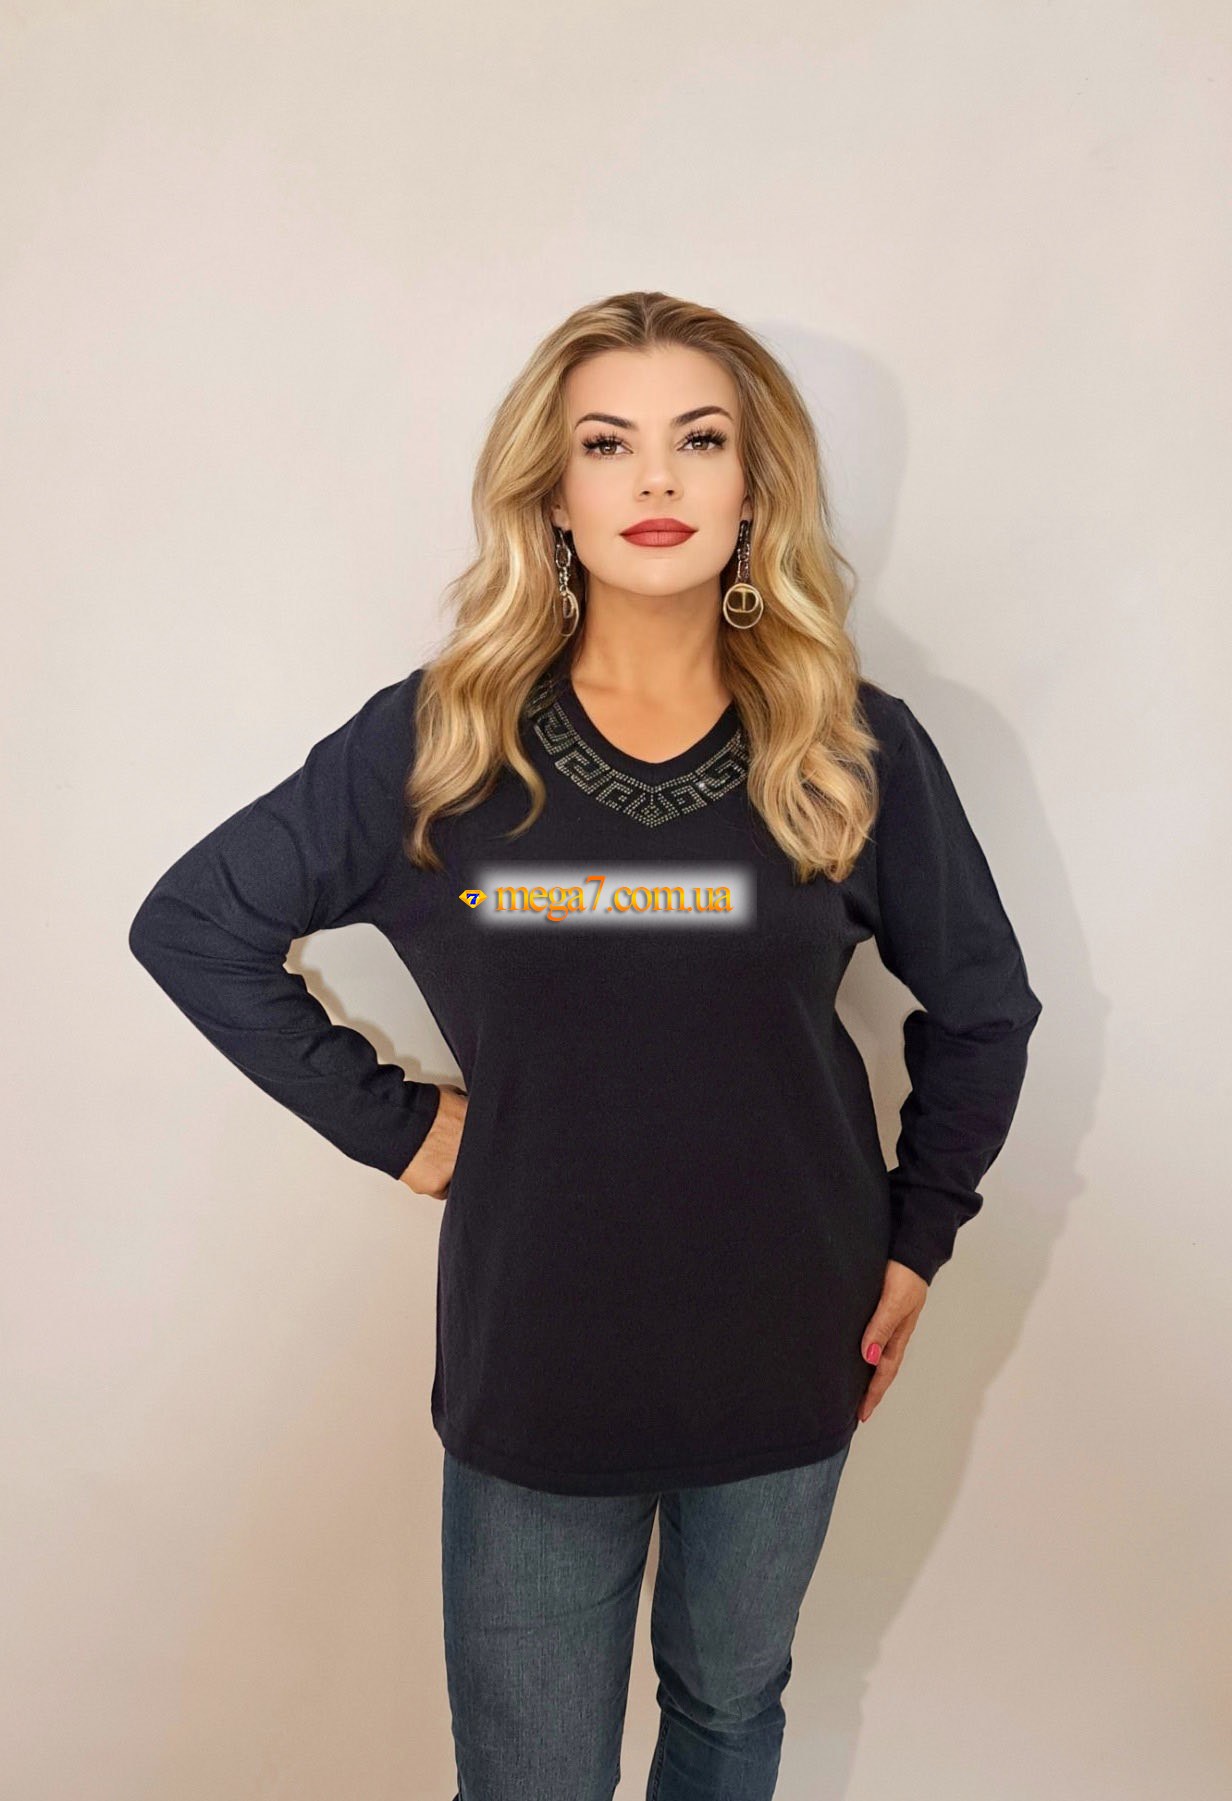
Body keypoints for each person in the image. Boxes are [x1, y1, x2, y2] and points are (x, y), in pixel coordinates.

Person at [129, 290, 1042, 1800]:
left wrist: (918, 1238)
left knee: (729, 1715)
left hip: (789, 1340)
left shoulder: (846, 742)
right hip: (539, 1363)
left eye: (701, 439)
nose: (658, 478)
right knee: (530, 1777)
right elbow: (195, 925)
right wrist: (404, 1127)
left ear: (755, 486)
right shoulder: (444, 738)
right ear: (552, 494)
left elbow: (986, 1008)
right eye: (608, 444)